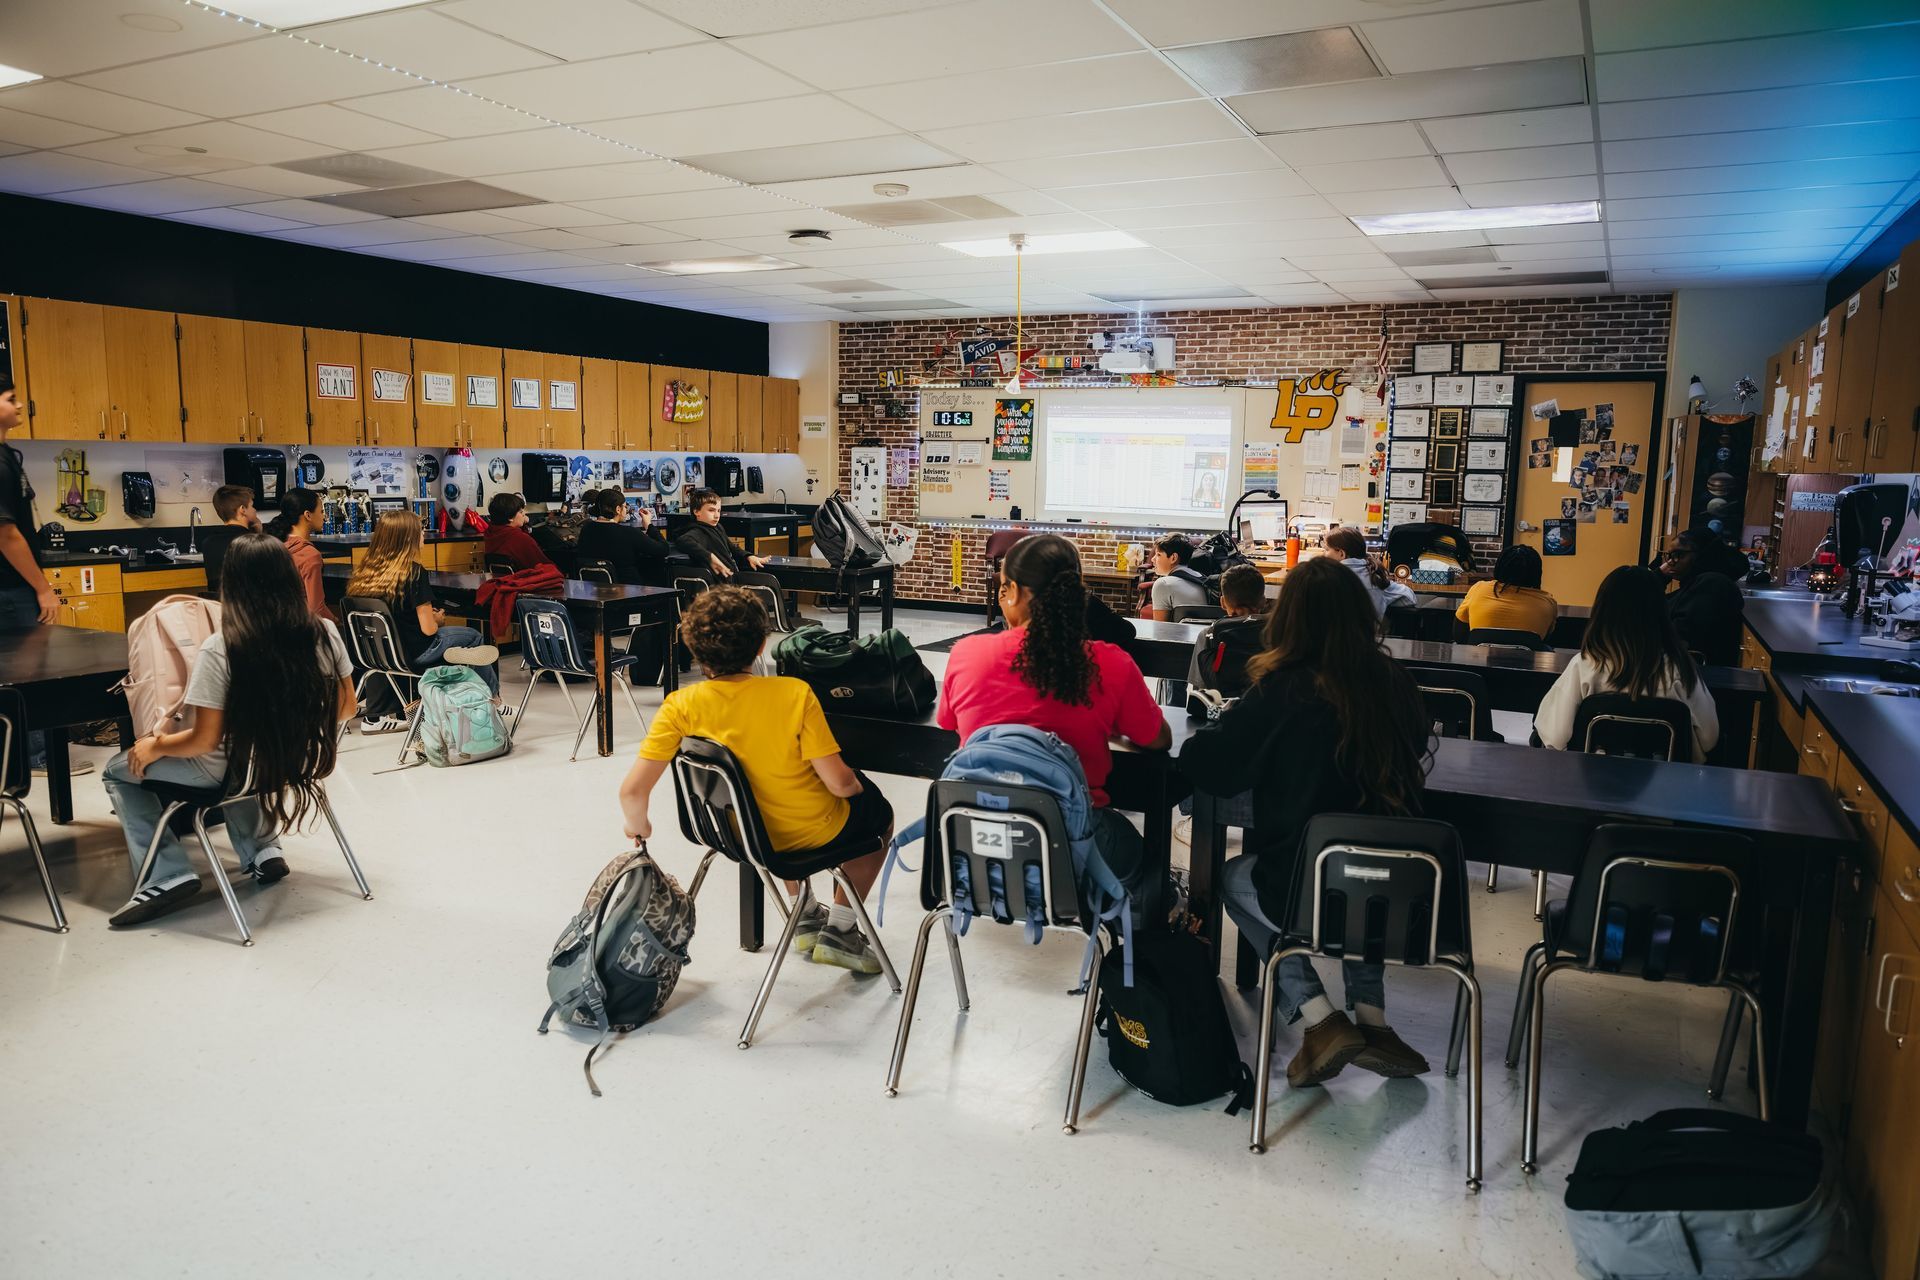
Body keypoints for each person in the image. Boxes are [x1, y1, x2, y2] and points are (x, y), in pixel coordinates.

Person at [1180, 555, 1435, 1087]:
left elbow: (1211, 768)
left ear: (1286, 618)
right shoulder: (1396, 683)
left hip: (1304, 891)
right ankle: (1374, 1021)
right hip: (1402, 895)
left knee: (1234, 879)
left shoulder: (1283, 689)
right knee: (1365, 878)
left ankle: (1318, 1017)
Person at [619, 586, 893, 974]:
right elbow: (838, 784)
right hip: (806, 833)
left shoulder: (679, 707)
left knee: (767, 810)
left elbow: (632, 791)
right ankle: (842, 931)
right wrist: (858, 788)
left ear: (694, 649)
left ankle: (806, 913)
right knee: (878, 818)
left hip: (736, 834)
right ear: (762, 645)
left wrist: (639, 825)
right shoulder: (793, 694)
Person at [102, 534, 357, 926]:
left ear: (232, 584)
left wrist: (155, 744)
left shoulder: (222, 647)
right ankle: (263, 850)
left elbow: (203, 741)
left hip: (234, 770)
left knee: (119, 771)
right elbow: (347, 708)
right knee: (248, 749)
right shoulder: (325, 631)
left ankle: (165, 874)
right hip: (301, 759)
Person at [938, 534, 1171, 918]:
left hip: (976, 843)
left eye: (1001, 588)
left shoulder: (967, 652)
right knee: (1150, 863)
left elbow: (950, 722)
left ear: (1012, 592)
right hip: (1071, 850)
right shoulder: (1108, 663)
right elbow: (1158, 739)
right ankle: (1134, 960)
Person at [1534, 565, 1719, 762]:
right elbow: (1709, 739)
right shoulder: (1681, 668)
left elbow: (1554, 737)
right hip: (1667, 785)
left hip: (1592, 783)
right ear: (1661, 612)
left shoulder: (1584, 665)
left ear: (1602, 610)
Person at [344, 510, 503, 706]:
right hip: (415, 653)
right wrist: (436, 619)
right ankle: (493, 700)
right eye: (421, 530)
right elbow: (429, 630)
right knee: (473, 636)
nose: (424, 534)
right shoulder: (414, 572)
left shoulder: (364, 574)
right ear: (408, 538)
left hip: (377, 654)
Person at [0, 376, 77, 775]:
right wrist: (43, 589)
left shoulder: (9, 456)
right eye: (10, 399)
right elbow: (6, 534)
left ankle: (18, 759)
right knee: (26, 673)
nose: (18, 405)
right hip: (11, 588)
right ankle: (32, 759)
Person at [674, 487, 784, 601]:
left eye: (718, 510)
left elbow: (732, 547)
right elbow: (683, 541)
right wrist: (710, 557)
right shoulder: (697, 531)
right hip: (719, 589)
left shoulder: (718, 527)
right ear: (696, 511)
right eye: (711, 510)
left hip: (731, 580)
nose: (717, 515)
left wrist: (748, 556)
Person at [1658, 529, 1746, 666]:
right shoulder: (1696, 584)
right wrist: (1660, 576)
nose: (1670, 562)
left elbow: (1680, 636)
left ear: (1702, 555)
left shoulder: (1712, 585)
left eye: (1677, 555)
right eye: (1669, 556)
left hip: (1697, 676)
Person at [1187, 563, 1267, 697]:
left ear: (1223, 602)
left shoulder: (1208, 634)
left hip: (1224, 712)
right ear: (1263, 601)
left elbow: (1200, 692)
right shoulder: (1277, 631)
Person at [1455, 544, 1557, 639]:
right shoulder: (1547, 602)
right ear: (1536, 573)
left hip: (1479, 656)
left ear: (1499, 567)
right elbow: (1546, 638)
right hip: (1526, 657)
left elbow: (1459, 634)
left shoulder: (1479, 589)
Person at [264, 488, 333, 621]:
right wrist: (337, 621)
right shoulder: (310, 555)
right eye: (322, 511)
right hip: (302, 628)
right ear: (308, 515)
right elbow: (317, 609)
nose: (324, 516)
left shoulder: (274, 545)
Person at [575, 488, 668, 586]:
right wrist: (649, 525)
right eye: (624, 506)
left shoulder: (586, 530)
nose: (626, 510)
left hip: (594, 593)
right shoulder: (628, 533)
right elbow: (663, 549)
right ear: (618, 509)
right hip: (630, 593)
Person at [1325, 527, 1414, 617]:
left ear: (1341, 554)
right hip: (1369, 631)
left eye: (1327, 549)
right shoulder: (1375, 578)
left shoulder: (1325, 577)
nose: (1325, 554)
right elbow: (1409, 598)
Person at [199, 484, 260, 596]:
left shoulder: (208, 542)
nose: (255, 510)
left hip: (219, 607)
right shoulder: (251, 541)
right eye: (252, 506)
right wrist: (259, 534)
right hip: (248, 608)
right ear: (243, 510)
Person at [484, 492, 555, 573]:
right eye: (521, 512)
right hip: (524, 583)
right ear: (510, 517)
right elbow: (545, 568)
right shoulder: (520, 539)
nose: (524, 514)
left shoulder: (490, 535)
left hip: (502, 583)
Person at [1148, 534, 1209, 620]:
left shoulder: (1163, 584)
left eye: (1158, 555)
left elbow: (1160, 628)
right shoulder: (1200, 576)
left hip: (1178, 633)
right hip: (1204, 632)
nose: (1152, 559)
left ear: (1173, 558)